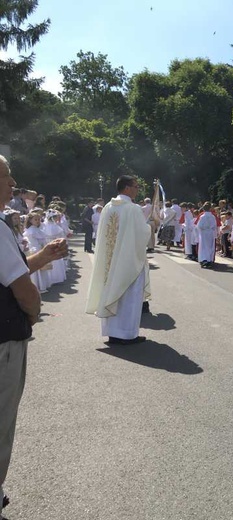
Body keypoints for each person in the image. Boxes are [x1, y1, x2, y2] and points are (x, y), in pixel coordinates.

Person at [1, 155, 67, 519]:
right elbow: (21, 288)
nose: (13, 186)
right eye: (7, 178)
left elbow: (10, 267)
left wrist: (41, 257)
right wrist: (32, 312)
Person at [85, 175, 151, 345]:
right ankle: (127, 334)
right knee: (130, 297)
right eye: (136, 186)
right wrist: (151, 226)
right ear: (127, 188)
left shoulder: (108, 207)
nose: (138, 190)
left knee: (112, 291)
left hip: (110, 260)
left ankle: (112, 333)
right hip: (128, 262)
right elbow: (141, 234)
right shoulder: (133, 208)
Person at [196, 202, 218, 269]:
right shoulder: (212, 216)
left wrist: (201, 229)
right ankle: (209, 260)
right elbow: (214, 226)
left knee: (203, 246)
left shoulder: (202, 216)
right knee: (210, 246)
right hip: (210, 233)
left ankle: (204, 259)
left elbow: (199, 226)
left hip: (203, 233)